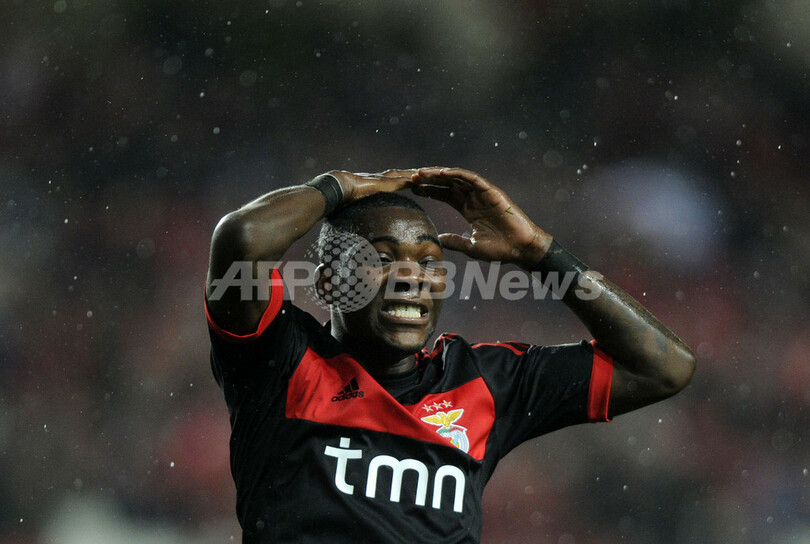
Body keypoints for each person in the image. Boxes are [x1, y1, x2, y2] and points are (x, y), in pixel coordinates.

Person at [204, 167, 696, 543]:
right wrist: (337, 187)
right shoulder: (281, 359)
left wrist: (538, 252)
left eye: (429, 262)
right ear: (331, 282)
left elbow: (663, 367)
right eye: (381, 258)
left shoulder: (485, 381)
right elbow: (242, 239)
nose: (411, 277)